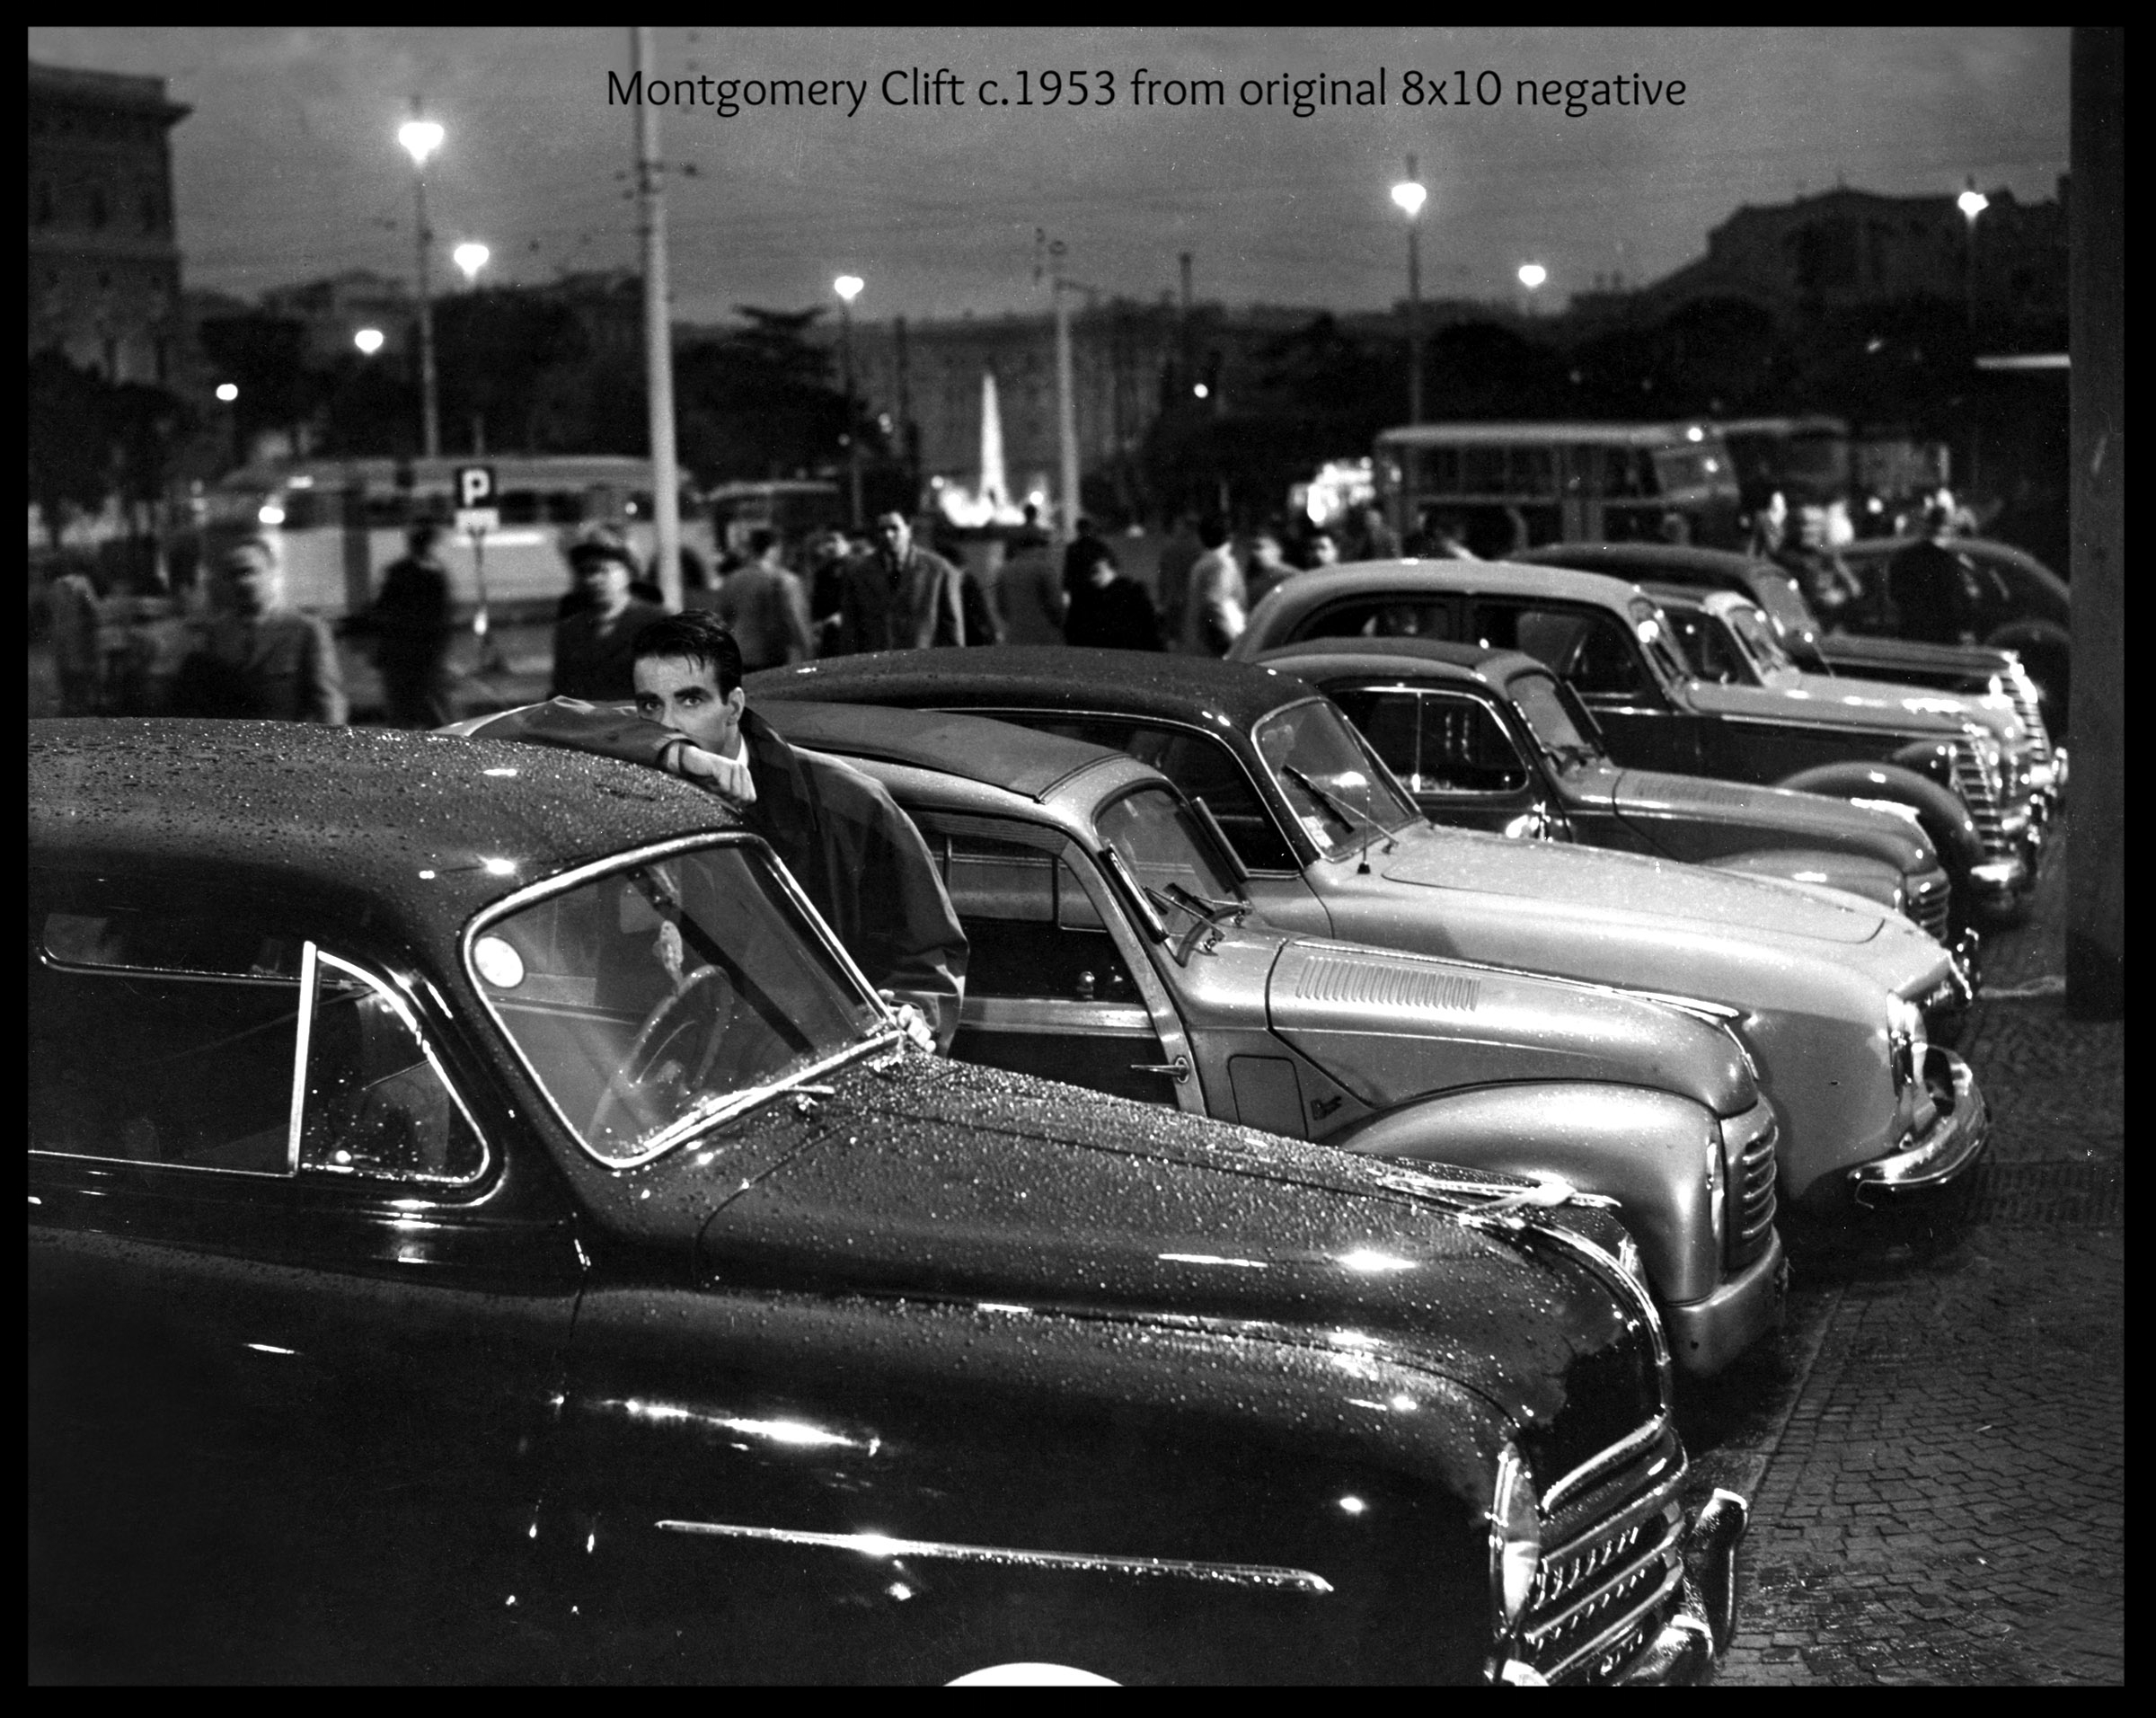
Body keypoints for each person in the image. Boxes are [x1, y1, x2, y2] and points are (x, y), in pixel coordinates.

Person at [456, 611, 968, 1052]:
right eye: (651, 705)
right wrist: (668, 753)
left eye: (691, 701)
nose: (668, 722)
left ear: (735, 706)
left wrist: (914, 1014)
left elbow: (929, 953)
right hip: (666, 1070)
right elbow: (503, 731)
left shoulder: (846, 805)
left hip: (811, 1064)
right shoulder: (642, 775)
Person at [172, 539, 348, 723]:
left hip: (287, 742)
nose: (243, 581)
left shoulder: (305, 629)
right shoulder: (215, 632)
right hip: (231, 743)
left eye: (250, 571)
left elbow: (328, 698)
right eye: (233, 575)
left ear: (272, 573)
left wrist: (332, 742)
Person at [831, 510, 966, 653]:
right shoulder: (858, 573)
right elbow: (850, 631)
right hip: (878, 665)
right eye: (882, 530)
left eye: (894, 529)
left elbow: (952, 628)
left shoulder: (937, 570)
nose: (888, 535)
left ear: (909, 530)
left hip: (924, 665)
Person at [552, 538, 665, 700]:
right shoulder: (569, 630)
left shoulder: (657, 622)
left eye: (603, 570)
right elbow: (560, 693)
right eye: (587, 572)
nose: (594, 579)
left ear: (628, 573)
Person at [368, 522, 455, 729]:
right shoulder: (435, 574)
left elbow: (381, 609)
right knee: (434, 714)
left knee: (401, 714)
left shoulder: (395, 571)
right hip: (424, 658)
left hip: (398, 656)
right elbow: (441, 619)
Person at [714, 528, 814, 671]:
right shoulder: (785, 580)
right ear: (773, 549)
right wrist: (809, 654)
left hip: (740, 655)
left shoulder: (732, 579)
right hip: (774, 655)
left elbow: (721, 618)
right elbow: (797, 621)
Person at [1886, 500, 1976, 645]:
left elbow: (1895, 594)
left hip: (1911, 635)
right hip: (1943, 639)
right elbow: (1959, 601)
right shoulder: (1950, 561)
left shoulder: (1905, 557)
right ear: (1948, 528)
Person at [1063, 542, 1161, 651]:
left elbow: (1072, 635)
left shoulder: (1082, 599)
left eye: (1094, 571)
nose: (1093, 578)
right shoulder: (1133, 592)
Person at [994, 510, 1065, 645]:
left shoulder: (1004, 570)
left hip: (1014, 640)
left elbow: (1001, 607)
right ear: (1038, 546)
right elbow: (1056, 606)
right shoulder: (1044, 568)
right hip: (1044, 639)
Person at [1181, 517, 1247, 657]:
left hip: (1202, 643)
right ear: (1230, 537)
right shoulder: (1220, 565)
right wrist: (1238, 643)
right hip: (1217, 647)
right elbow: (1217, 606)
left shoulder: (1203, 564)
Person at [47, 557, 104, 716]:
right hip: (78, 631)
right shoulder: (82, 582)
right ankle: (83, 706)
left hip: (59, 633)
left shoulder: (54, 585)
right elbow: (93, 605)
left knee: (65, 670)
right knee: (82, 668)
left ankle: (68, 705)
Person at [1153, 511, 1202, 644]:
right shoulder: (1200, 550)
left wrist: (1162, 600)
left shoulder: (1170, 549)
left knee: (1173, 639)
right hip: (1191, 601)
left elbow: (1163, 578)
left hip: (1173, 600)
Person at [1244, 528, 1299, 612]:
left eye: (1260, 547)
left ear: (1278, 549)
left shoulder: (1292, 576)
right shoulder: (1255, 578)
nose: (1255, 553)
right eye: (1252, 548)